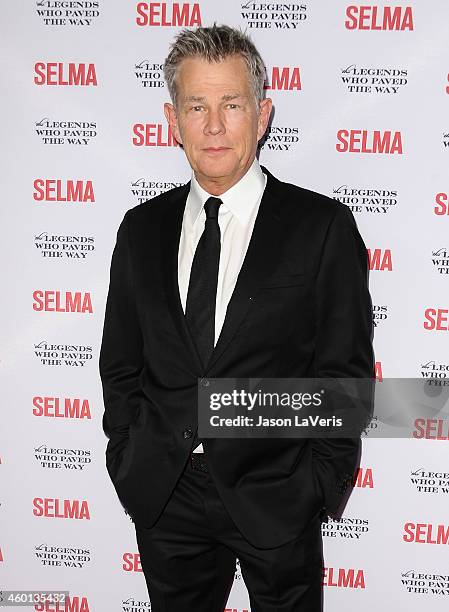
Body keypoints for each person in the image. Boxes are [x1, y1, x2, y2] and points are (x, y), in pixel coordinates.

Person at [99, 24, 374, 612]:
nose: (215, 125)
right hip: (165, 491)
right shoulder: (139, 231)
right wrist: (126, 453)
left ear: (263, 114)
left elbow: (345, 375)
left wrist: (317, 485)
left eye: (232, 104)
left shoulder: (321, 228)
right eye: (197, 106)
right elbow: (121, 364)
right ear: (173, 121)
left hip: (277, 492)